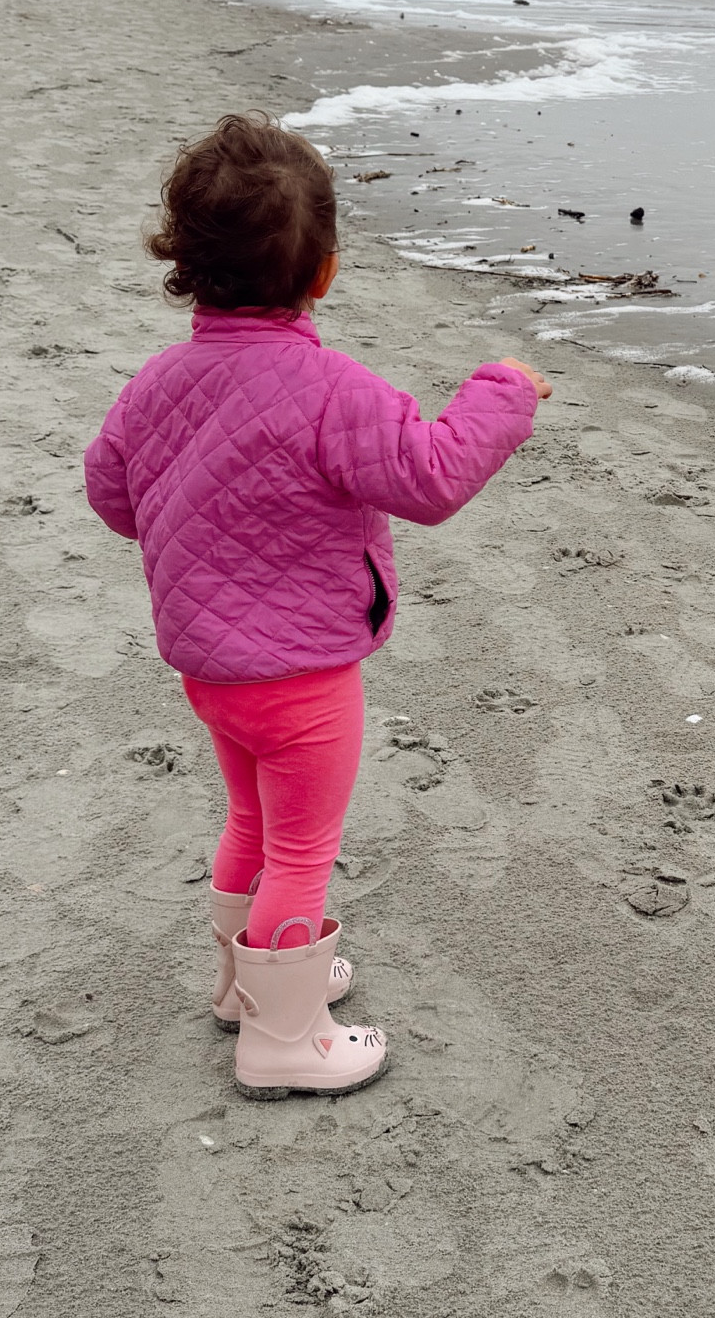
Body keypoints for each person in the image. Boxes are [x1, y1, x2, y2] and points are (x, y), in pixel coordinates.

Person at [83, 113, 549, 1098]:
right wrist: (503, 393)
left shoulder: (157, 383)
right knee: (302, 851)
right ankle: (283, 1038)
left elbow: (112, 494)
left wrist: (195, 519)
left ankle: (242, 984)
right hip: (304, 678)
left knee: (250, 820)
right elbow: (431, 475)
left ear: (187, 267)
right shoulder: (335, 390)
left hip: (211, 669)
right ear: (324, 272)